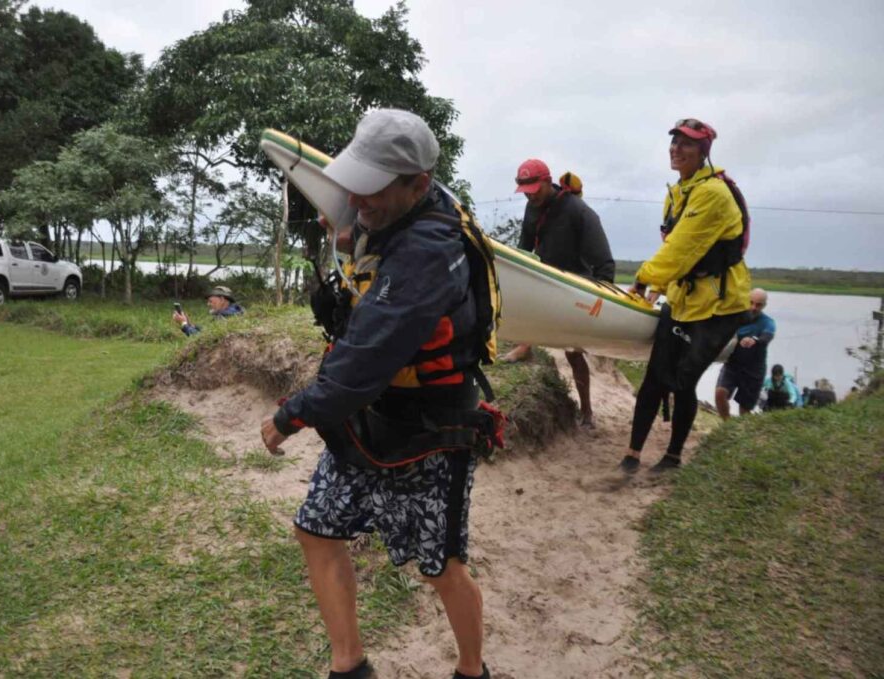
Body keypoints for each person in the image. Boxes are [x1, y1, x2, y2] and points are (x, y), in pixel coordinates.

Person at [260, 109, 491, 679]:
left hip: (430, 430)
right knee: (316, 530)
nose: (357, 197)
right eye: (354, 181)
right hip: (368, 420)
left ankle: (471, 670)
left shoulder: (429, 253)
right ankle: (350, 667)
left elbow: (361, 365)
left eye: (372, 189)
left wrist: (289, 417)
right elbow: (357, 220)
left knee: (441, 568)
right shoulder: (405, 200)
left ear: (418, 183)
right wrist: (353, 221)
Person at [620, 118, 752, 474]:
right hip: (684, 298)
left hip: (721, 306)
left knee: (684, 380)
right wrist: (659, 289)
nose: (676, 148)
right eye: (674, 142)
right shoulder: (677, 192)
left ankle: (673, 457)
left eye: (687, 144)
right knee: (654, 378)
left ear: (704, 152)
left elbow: (682, 247)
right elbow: (676, 252)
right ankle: (631, 455)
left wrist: (644, 278)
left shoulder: (712, 193)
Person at [501, 159, 615, 429]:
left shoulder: (577, 210)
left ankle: (587, 412)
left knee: (573, 352)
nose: (531, 194)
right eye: (525, 190)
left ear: (547, 181)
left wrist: (604, 296)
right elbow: (523, 250)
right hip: (545, 279)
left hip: (575, 286)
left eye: (534, 188)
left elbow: (604, 260)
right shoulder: (532, 207)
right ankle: (525, 345)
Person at [715, 288, 775, 418]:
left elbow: (767, 337)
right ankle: (727, 426)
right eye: (751, 302)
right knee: (720, 393)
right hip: (732, 365)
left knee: (744, 410)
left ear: (764, 305)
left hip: (754, 370)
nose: (753, 307)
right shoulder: (736, 317)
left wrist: (754, 340)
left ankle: (740, 432)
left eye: (758, 305)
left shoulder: (768, 322)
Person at [172, 285, 244, 336]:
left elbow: (201, 338)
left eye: (211, 301)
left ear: (222, 300)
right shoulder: (233, 313)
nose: (208, 304)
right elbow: (207, 330)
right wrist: (189, 324)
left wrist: (183, 324)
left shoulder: (227, 317)